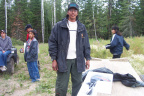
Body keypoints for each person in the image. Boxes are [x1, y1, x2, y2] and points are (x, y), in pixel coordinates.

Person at [48, 2, 91, 96]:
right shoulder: (59, 26)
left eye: (75, 11)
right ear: (68, 12)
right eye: (71, 10)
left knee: (78, 84)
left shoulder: (81, 27)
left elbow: (86, 44)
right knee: (61, 85)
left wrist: (87, 59)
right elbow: (52, 43)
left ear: (77, 13)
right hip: (63, 60)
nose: (73, 12)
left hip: (78, 60)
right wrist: (54, 59)